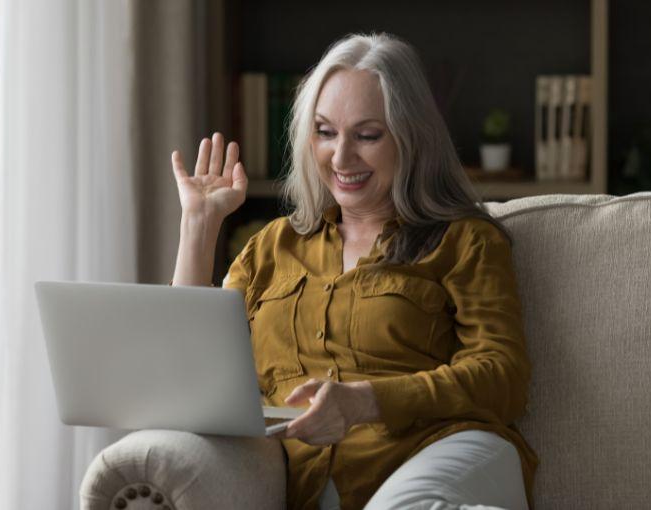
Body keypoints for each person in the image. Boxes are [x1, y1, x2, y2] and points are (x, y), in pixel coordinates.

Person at [170, 32, 537, 510]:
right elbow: (189, 370)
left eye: (367, 135)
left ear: (411, 137)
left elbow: (502, 378)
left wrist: (365, 401)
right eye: (325, 132)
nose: (341, 158)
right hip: (315, 478)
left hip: (442, 448)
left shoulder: (465, 240)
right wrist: (199, 224)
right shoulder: (272, 248)